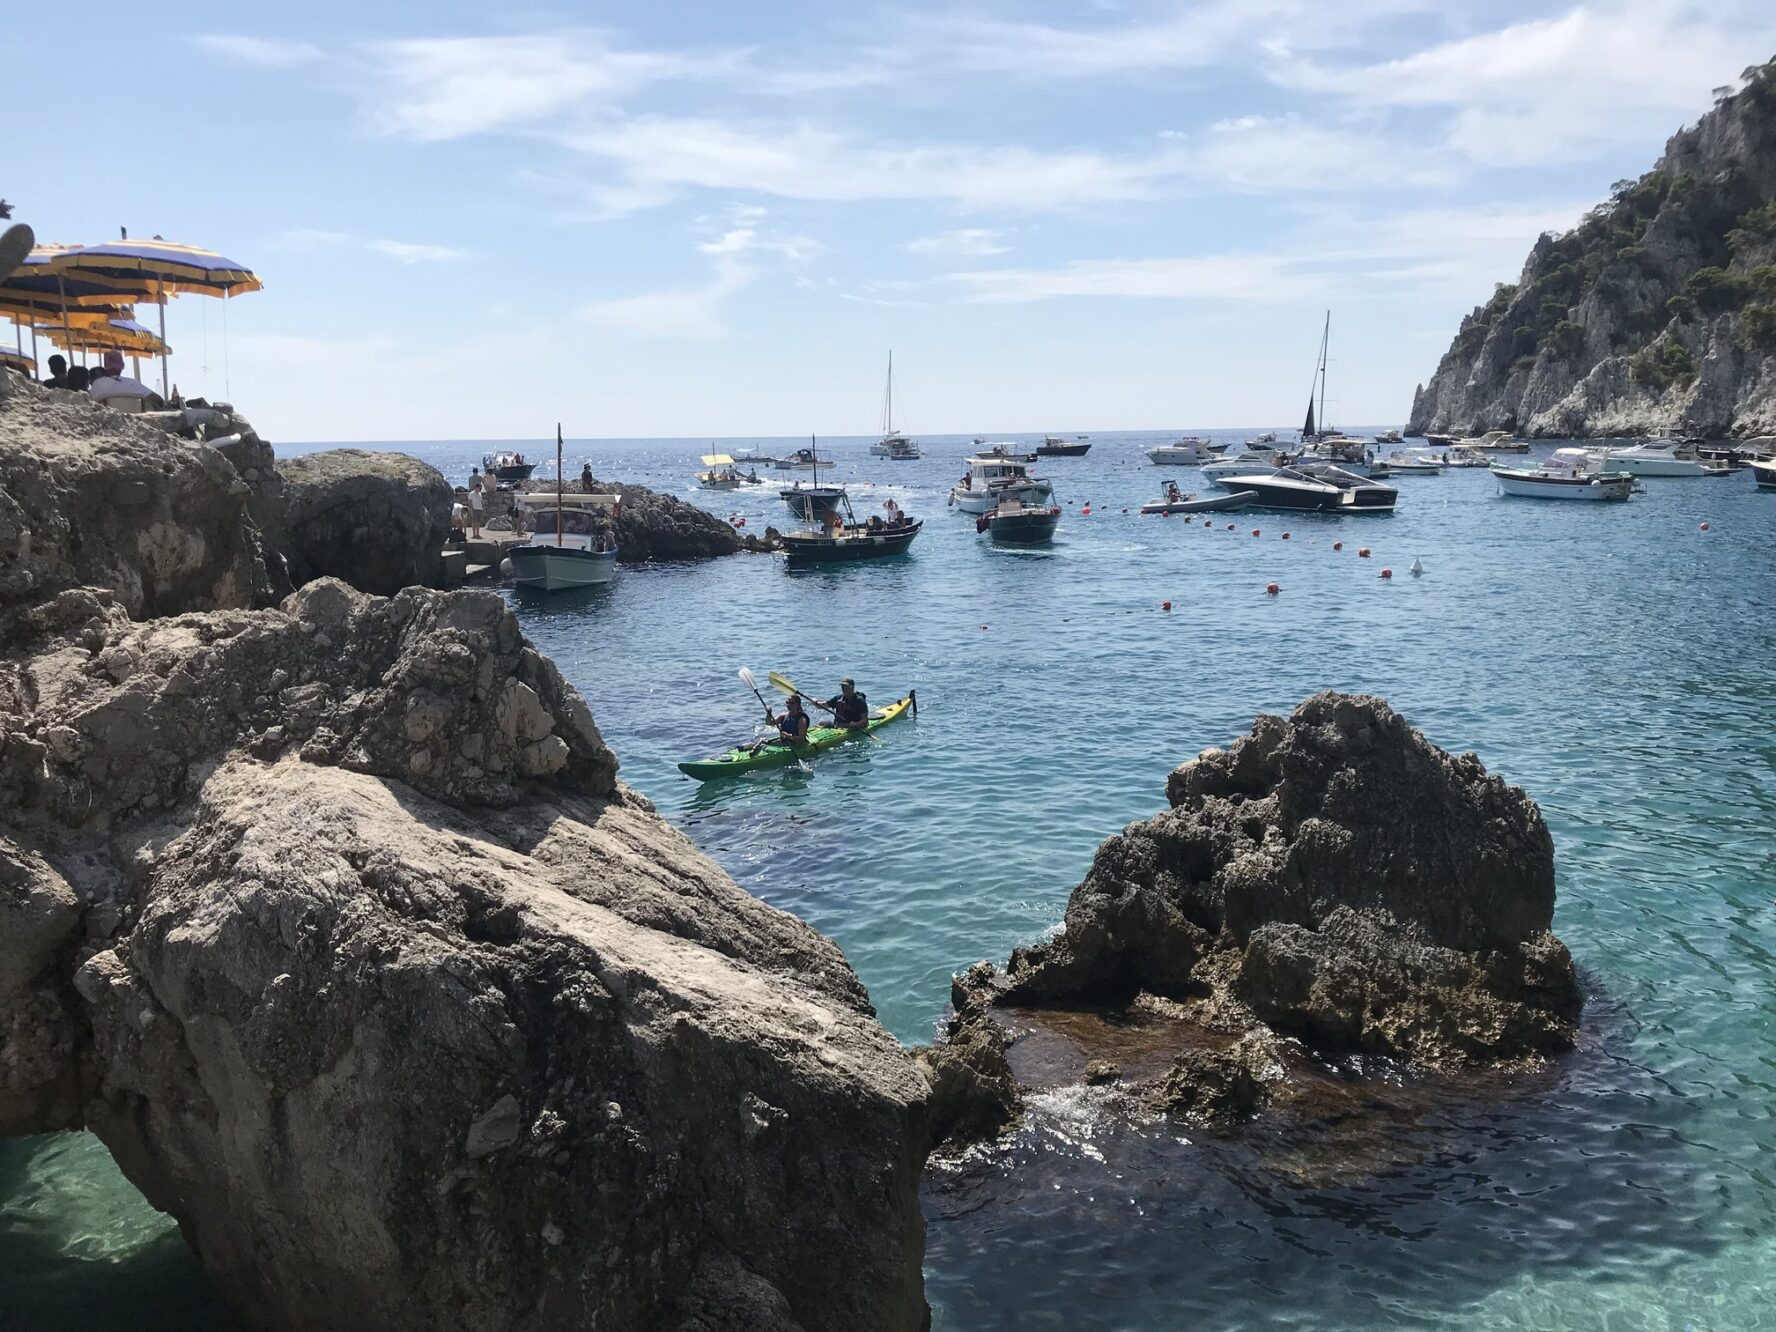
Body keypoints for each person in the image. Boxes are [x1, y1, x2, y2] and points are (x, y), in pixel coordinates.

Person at [87, 351, 157, 404]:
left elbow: (92, 403)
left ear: (105, 365)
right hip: (133, 418)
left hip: (108, 418)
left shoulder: (97, 384)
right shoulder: (132, 383)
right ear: (122, 366)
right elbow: (157, 399)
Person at [466, 468, 485, 538]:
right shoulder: (480, 477)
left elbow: (469, 485)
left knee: (478, 522)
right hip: (475, 509)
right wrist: (471, 509)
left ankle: (477, 533)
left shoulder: (470, 478)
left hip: (479, 508)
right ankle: (474, 534)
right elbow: (470, 502)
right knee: (474, 522)